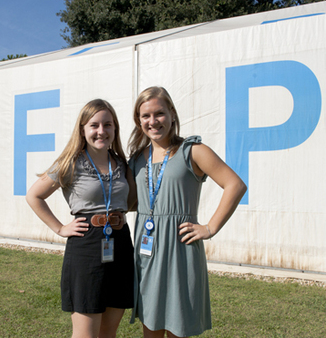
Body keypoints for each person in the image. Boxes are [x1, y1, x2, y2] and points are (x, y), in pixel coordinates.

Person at [127, 87, 247, 338]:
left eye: (159, 113)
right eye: (145, 116)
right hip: (146, 249)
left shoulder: (192, 150)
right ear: (138, 121)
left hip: (180, 246)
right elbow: (131, 201)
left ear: (172, 113)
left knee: (178, 324)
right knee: (150, 323)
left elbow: (235, 185)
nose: (153, 121)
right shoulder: (138, 158)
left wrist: (210, 228)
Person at [26, 99, 135, 338]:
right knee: (86, 334)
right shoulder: (70, 162)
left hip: (121, 243)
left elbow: (131, 202)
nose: (101, 131)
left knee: (108, 333)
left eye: (108, 124)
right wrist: (60, 228)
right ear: (83, 129)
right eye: (94, 125)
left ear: (115, 129)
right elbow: (34, 195)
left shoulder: (122, 163)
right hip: (86, 246)